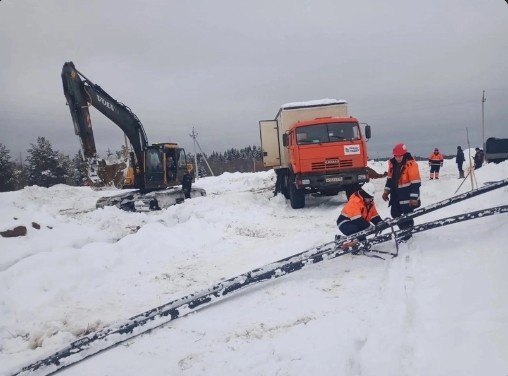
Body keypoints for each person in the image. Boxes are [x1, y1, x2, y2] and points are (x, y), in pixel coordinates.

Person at [382, 143, 421, 242]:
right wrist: (386, 192)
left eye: (400, 156)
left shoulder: (411, 164)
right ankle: (405, 231)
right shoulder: (392, 164)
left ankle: (407, 234)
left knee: (407, 216)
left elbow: (416, 183)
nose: (398, 158)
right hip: (396, 195)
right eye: (396, 156)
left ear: (404, 154)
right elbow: (390, 180)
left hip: (407, 195)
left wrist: (413, 198)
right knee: (395, 213)